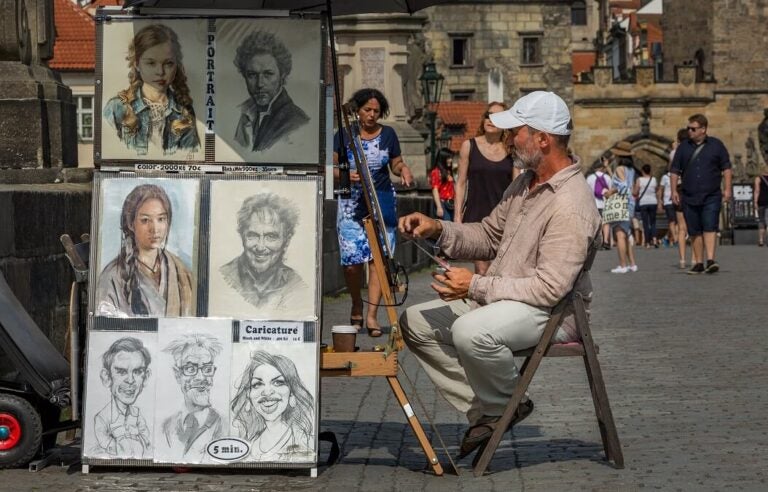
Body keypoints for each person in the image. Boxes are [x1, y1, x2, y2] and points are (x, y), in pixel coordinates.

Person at [397, 91, 599, 462]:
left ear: (543, 139)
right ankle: (493, 411)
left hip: (552, 313)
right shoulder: (524, 184)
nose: (507, 139)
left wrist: (474, 285)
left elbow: (549, 287)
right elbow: (489, 236)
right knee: (415, 321)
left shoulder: (571, 202)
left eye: (515, 132)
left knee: (472, 331)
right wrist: (437, 229)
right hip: (508, 301)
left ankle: (504, 405)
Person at [333, 88, 413, 337]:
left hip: (380, 200)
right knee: (352, 263)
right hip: (350, 202)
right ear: (357, 110)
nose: (371, 115)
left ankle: (371, 316)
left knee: (377, 260)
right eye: (367, 109)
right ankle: (357, 302)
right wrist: (344, 174)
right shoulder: (345, 134)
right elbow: (332, 165)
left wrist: (404, 170)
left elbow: (396, 162)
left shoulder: (388, 134)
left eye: (376, 111)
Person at [96, 184, 195, 317]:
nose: (155, 229)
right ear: (131, 224)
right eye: (145, 220)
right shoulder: (112, 276)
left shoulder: (181, 270)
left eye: (161, 219)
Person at [103, 24, 200, 156]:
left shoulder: (183, 111)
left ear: (177, 65)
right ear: (137, 64)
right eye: (151, 63)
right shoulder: (116, 107)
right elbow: (111, 151)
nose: (160, 72)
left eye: (168, 63)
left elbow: (191, 156)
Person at [454, 102, 521, 275]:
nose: (491, 120)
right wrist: (457, 215)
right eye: (488, 115)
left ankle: (490, 300)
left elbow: (517, 184)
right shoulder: (469, 146)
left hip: (502, 213)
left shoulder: (511, 150)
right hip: (477, 213)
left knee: (501, 266)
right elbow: (460, 183)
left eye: (497, 117)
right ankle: (482, 301)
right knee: (482, 268)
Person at [220, 192, 310, 311]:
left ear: (286, 241)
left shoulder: (295, 284)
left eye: (271, 236)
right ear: (242, 236)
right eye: (253, 235)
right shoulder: (223, 277)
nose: (260, 247)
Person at [671, 114, 732, 274]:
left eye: (693, 128)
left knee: (709, 225)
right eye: (688, 128)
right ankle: (698, 262)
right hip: (689, 194)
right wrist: (672, 191)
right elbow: (674, 171)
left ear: (703, 129)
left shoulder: (716, 145)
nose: (689, 131)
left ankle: (710, 260)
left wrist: (727, 188)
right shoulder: (683, 147)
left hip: (711, 193)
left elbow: (726, 167)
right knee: (694, 229)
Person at [233, 30, 310, 152]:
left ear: (282, 75)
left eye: (268, 74)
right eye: (252, 75)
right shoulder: (243, 114)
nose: (260, 84)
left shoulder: (296, 122)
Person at [230, 350, 314, 461]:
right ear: (248, 396)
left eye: (278, 382)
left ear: (292, 393)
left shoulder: (305, 443)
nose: (267, 392)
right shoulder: (250, 442)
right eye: (257, 384)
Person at [161, 334, 223, 458]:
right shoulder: (167, 426)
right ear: (178, 375)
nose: (201, 377)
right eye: (191, 369)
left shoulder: (223, 424)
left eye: (207, 369)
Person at [92, 337, 152, 458]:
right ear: (107, 377)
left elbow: (146, 436)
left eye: (137, 371)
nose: (130, 380)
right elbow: (103, 439)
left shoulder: (137, 413)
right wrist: (117, 449)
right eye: (121, 372)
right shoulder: (102, 417)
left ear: (145, 377)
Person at [604, 141, 638, 273]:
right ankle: (632, 264)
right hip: (630, 204)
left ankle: (623, 265)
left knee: (619, 235)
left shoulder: (620, 169)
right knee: (626, 233)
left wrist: (610, 192)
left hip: (621, 204)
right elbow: (624, 183)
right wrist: (608, 168)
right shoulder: (631, 170)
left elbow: (623, 187)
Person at [586, 153, 612, 249]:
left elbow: (587, 192)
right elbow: (610, 191)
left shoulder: (590, 178)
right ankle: (605, 241)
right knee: (606, 222)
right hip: (605, 203)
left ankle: (598, 242)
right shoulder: (607, 178)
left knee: (596, 224)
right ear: (602, 168)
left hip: (594, 204)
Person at [634, 164, 660, 248]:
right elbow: (656, 190)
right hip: (653, 202)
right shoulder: (654, 179)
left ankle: (648, 243)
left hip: (643, 203)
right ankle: (655, 240)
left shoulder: (639, 180)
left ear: (642, 171)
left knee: (645, 223)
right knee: (653, 222)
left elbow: (635, 192)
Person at [430, 148, 456, 221]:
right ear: (442, 158)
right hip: (442, 204)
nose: (450, 160)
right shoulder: (436, 172)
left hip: (450, 204)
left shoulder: (448, 171)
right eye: (448, 158)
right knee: (446, 227)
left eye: (451, 158)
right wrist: (439, 207)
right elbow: (435, 190)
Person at [753, 167, 768, 246]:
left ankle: (761, 240)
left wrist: (755, 202)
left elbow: (757, 191)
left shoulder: (758, 178)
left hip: (761, 201)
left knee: (761, 220)